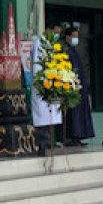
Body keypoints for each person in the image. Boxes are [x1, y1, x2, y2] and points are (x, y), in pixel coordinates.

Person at [30, 27, 62, 155]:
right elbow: (38, 65)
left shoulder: (52, 44)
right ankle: (42, 144)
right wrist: (44, 82)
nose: (57, 35)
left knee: (50, 115)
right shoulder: (40, 43)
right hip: (42, 85)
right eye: (56, 33)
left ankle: (49, 141)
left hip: (52, 84)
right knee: (42, 116)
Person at [62, 26, 95, 146]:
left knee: (80, 112)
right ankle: (71, 137)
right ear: (67, 37)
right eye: (74, 36)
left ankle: (78, 137)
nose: (76, 39)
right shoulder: (66, 51)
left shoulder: (75, 51)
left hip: (80, 87)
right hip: (71, 87)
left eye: (77, 36)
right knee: (73, 113)